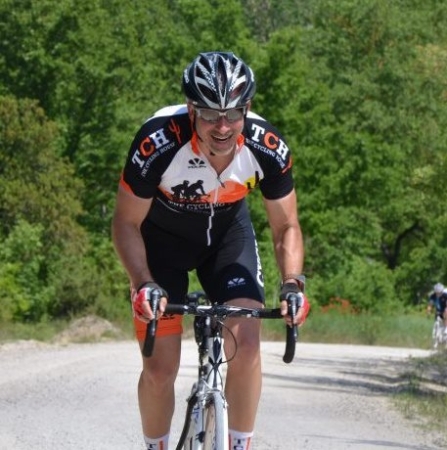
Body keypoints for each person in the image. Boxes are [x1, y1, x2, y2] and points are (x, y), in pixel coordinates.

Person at [112, 51, 310, 450]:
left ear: (247, 108)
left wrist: (292, 283)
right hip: (160, 247)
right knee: (159, 368)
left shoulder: (266, 146)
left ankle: (239, 443)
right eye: (209, 115)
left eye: (233, 114)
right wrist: (143, 282)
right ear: (191, 109)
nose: (222, 126)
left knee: (248, 344)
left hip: (226, 240)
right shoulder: (158, 141)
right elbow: (125, 222)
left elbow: (286, 225)